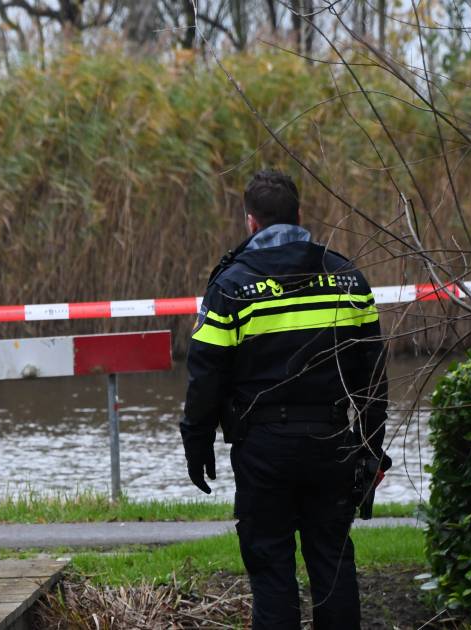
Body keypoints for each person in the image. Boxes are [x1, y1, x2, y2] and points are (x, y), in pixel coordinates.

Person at [181, 170, 390, 629]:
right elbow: (373, 381)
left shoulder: (233, 287)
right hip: (333, 442)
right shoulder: (347, 278)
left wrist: (196, 446)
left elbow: (206, 376)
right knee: (333, 566)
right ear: (300, 216)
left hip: (263, 450)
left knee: (272, 571)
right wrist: (371, 449)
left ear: (251, 223)